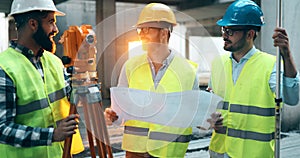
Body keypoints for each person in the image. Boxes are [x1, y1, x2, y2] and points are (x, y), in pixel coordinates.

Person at [105, 3, 201, 158]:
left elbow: (193, 116)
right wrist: (114, 116)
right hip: (135, 152)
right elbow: (121, 112)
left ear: (164, 33)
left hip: (168, 152)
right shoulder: (130, 66)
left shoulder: (187, 72)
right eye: (139, 29)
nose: (141, 34)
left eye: (146, 29)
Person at [208, 0, 299, 158]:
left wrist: (287, 55)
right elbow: (210, 105)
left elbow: (292, 98)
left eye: (230, 31)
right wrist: (209, 118)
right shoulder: (218, 64)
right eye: (224, 29)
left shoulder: (270, 65)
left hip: (253, 154)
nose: (224, 35)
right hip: (220, 152)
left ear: (249, 34)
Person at [0, 0, 84, 157]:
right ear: (33, 24)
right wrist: (52, 135)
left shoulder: (55, 62)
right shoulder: (4, 68)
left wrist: (85, 85)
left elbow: (70, 97)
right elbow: (2, 128)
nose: (56, 29)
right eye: (51, 22)